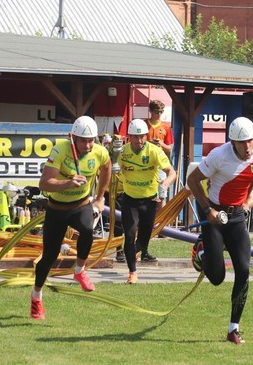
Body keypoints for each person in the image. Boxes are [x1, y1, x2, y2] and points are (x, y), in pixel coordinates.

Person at [186, 116, 253, 345]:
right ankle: (201, 250)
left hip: (237, 218)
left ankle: (234, 329)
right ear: (233, 142)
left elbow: (252, 175)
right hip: (215, 216)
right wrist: (207, 210)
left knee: (243, 270)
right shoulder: (218, 156)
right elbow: (192, 180)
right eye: (242, 142)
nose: (247, 146)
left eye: (250, 140)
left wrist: (248, 198)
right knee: (217, 278)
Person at [30, 116, 111, 320]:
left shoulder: (100, 151)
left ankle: (79, 270)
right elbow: (44, 183)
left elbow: (107, 168)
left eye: (91, 140)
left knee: (87, 230)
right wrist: (67, 183)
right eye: (83, 141)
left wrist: (100, 198)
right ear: (73, 138)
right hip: (56, 209)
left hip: (80, 205)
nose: (88, 145)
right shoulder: (60, 150)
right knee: (49, 257)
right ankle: (36, 296)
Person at [118, 119, 176, 282]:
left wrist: (165, 183)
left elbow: (172, 172)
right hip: (129, 200)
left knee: (143, 241)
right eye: (136, 137)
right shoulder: (122, 152)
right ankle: (132, 272)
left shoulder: (154, 151)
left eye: (142, 136)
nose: (139, 141)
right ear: (129, 137)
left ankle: (135, 251)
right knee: (129, 235)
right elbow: (109, 166)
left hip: (150, 201)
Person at [146, 99, 175, 258]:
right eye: (157, 112)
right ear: (151, 111)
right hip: (147, 163)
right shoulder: (144, 125)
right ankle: (149, 225)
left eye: (161, 112)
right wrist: (149, 143)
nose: (159, 114)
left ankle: (162, 226)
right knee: (148, 194)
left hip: (161, 164)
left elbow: (169, 148)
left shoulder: (166, 127)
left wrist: (160, 144)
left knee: (162, 194)